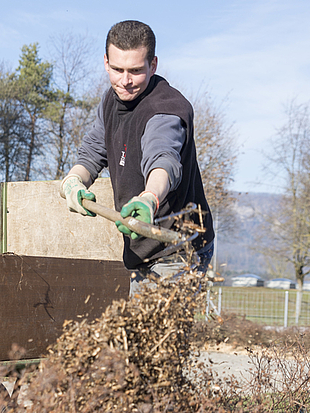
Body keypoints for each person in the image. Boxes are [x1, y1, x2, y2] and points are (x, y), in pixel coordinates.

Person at [59, 20, 214, 293]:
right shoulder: (110, 101)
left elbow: (162, 159)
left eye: (135, 71)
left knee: (156, 335)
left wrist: (149, 198)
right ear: (106, 62)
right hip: (141, 246)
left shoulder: (164, 109)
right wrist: (74, 180)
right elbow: (94, 151)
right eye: (117, 69)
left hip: (178, 247)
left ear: (153, 65)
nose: (125, 81)